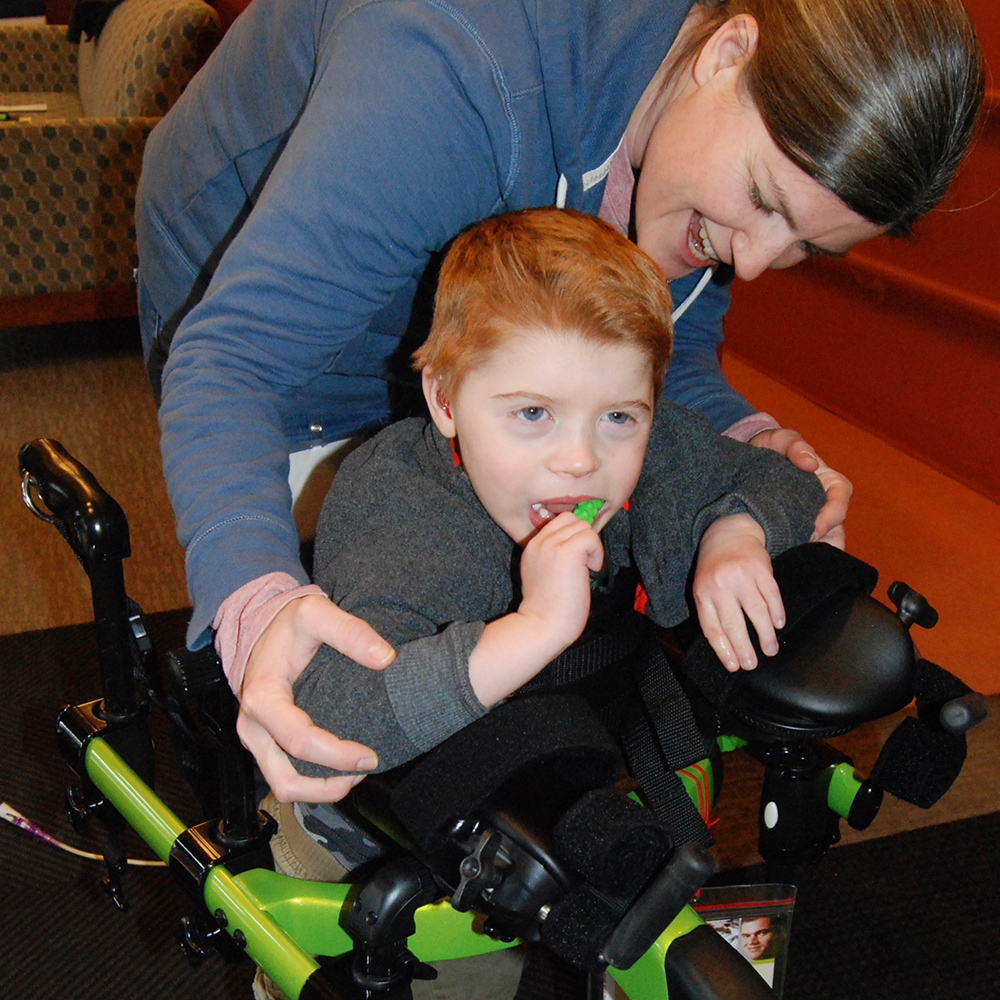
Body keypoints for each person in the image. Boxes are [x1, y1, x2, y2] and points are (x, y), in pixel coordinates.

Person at [134, 0, 984, 802]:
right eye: (765, 201)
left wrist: (752, 442)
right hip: (278, 328)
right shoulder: (453, 69)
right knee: (342, 680)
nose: (754, 262)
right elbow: (237, 359)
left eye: (806, 245)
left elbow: (656, 353)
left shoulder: (699, 170)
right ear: (728, 52)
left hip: (465, 316)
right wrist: (258, 603)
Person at [264, 206, 824, 885]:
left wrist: (736, 530)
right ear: (443, 399)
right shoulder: (396, 507)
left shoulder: (646, 447)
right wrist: (535, 629)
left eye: (619, 417)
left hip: (541, 777)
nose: (581, 460)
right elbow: (330, 730)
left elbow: (783, 480)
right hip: (370, 836)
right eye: (533, 414)